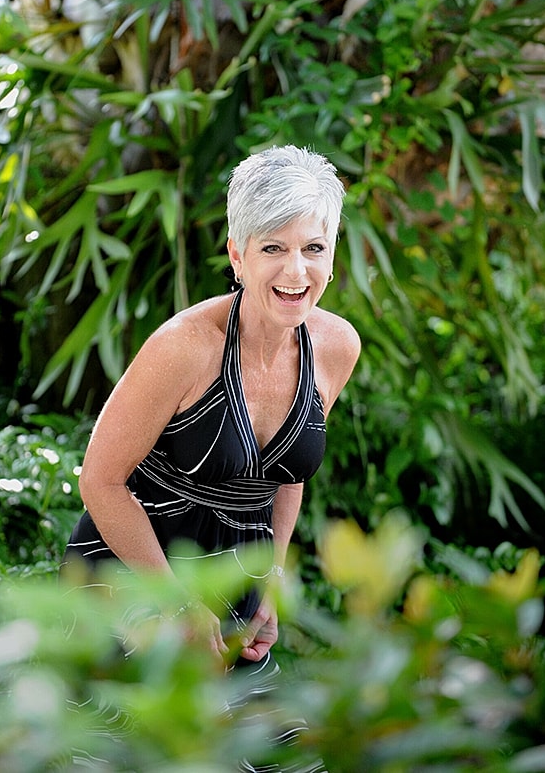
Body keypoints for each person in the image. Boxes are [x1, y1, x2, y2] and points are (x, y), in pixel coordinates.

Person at [62, 144, 361, 771]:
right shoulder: (184, 347)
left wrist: (271, 581)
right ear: (236, 254)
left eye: (313, 247)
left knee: (286, 759)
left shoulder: (335, 346)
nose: (296, 271)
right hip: (136, 571)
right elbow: (101, 482)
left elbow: (286, 476)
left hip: (234, 585)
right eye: (273, 248)